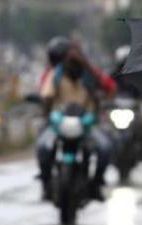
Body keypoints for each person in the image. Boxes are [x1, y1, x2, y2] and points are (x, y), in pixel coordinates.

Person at [37, 42, 114, 201]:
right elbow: (46, 96)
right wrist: (47, 115)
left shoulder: (91, 75)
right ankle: (46, 183)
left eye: (77, 56)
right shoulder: (55, 75)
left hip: (87, 124)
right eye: (70, 57)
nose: (73, 61)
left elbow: (109, 88)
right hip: (60, 123)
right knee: (42, 147)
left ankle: (96, 184)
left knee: (105, 148)